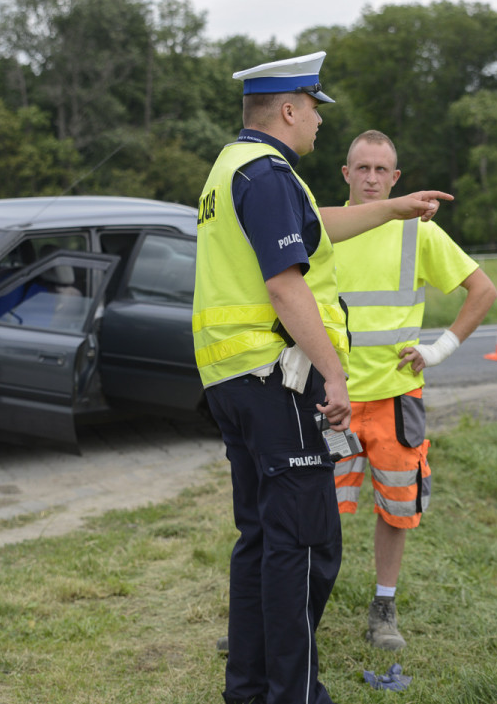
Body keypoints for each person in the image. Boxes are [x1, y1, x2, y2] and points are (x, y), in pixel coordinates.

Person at [193, 51, 451, 704]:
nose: (317, 120)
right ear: (288, 109)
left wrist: (394, 209)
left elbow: (315, 227)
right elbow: (286, 284)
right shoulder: (272, 174)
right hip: (276, 379)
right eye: (313, 108)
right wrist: (334, 374)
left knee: (259, 537)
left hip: (231, 378)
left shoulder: (232, 169)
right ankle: (296, 693)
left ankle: (250, 689)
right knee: (305, 541)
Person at [331, 129, 496, 650]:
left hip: (395, 399)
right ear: (346, 174)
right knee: (313, 510)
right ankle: (299, 605)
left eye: (382, 170)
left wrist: (439, 349)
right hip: (330, 398)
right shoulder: (324, 228)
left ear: (396, 178)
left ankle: (384, 607)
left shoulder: (416, 232)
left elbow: (482, 291)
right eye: (363, 168)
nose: (372, 178)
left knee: (397, 508)